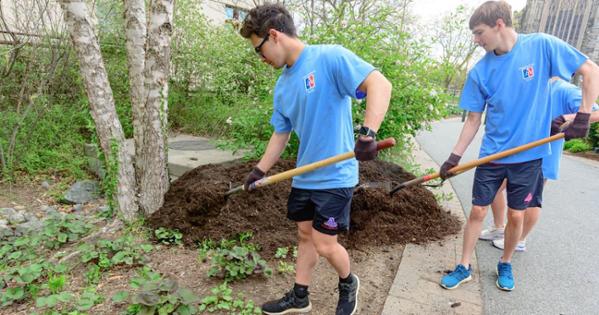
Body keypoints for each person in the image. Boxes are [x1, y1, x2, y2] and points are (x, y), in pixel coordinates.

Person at [239, 3, 392, 314]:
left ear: (273, 35)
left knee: (324, 244)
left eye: (259, 50)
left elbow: (379, 83)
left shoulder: (329, 57)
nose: (260, 59)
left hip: (335, 177)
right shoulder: (282, 87)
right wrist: (259, 170)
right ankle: (300, 295)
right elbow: (280, 134)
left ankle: (349, 282)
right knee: (304, 235)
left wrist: (368, 133)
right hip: (305, 175)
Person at [438, 0, 599, 292]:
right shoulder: (480, 72)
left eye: (479, 32)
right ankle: (463, 265)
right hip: (493, 154)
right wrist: (454, 156)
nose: (476, 40)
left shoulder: (542, 46)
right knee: (477, 211)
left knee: (516, 214)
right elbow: (473, 120)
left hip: (529, 157)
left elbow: (591, 70)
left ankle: (506, 262)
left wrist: (583, 114)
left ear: (499, 24)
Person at [481, 78, 599, 251]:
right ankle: (499, 228)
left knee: (530, 199)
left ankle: (520, 239)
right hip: (515, 150)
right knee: (495, 186)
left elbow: (595, 112)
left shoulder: (566, 89)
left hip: (542, 156)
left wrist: (566, 118)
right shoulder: (532, 84)